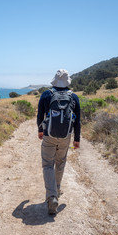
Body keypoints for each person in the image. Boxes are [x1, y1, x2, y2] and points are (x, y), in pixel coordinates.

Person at [37, 69, 81, 215]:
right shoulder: (73, 96)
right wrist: (76, 139)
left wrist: (40, 130)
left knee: (48, 164)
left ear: (55, 80)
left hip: (49, 135)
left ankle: (51, 196)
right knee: (60, 163)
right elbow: (78, 121)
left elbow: (40, 114)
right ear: (67, 81)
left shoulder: (46, 94)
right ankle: (57, 189)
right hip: (65, 136)